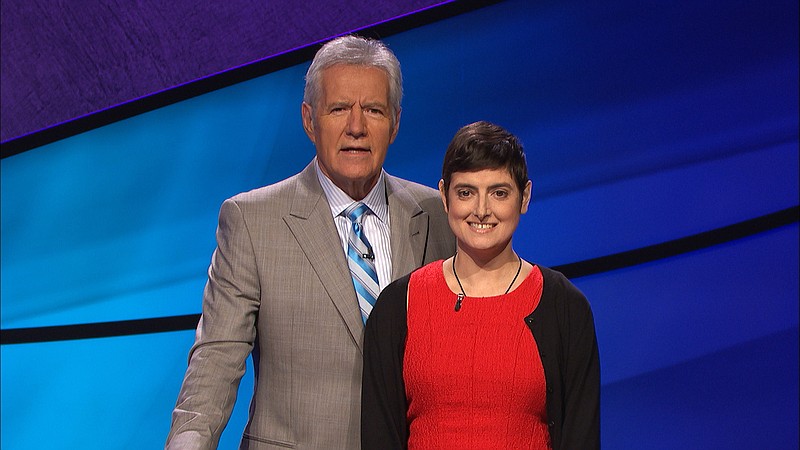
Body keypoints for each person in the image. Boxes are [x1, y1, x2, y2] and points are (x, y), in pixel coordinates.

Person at [166, 35, 455, 449]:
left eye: (373, 110)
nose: (356, 127)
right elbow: (216, 359)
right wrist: (188, 441)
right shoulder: (252, 220)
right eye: (338, 109)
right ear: (309, 119)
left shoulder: (436, 214)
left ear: (395, 122)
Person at [361, 121, 600, 449]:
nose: (482, 210)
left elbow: (581, 438)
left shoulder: (564, 307)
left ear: (525, 197)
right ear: (444, 196)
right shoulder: (398, 306)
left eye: (499, 193)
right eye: (466, 192)